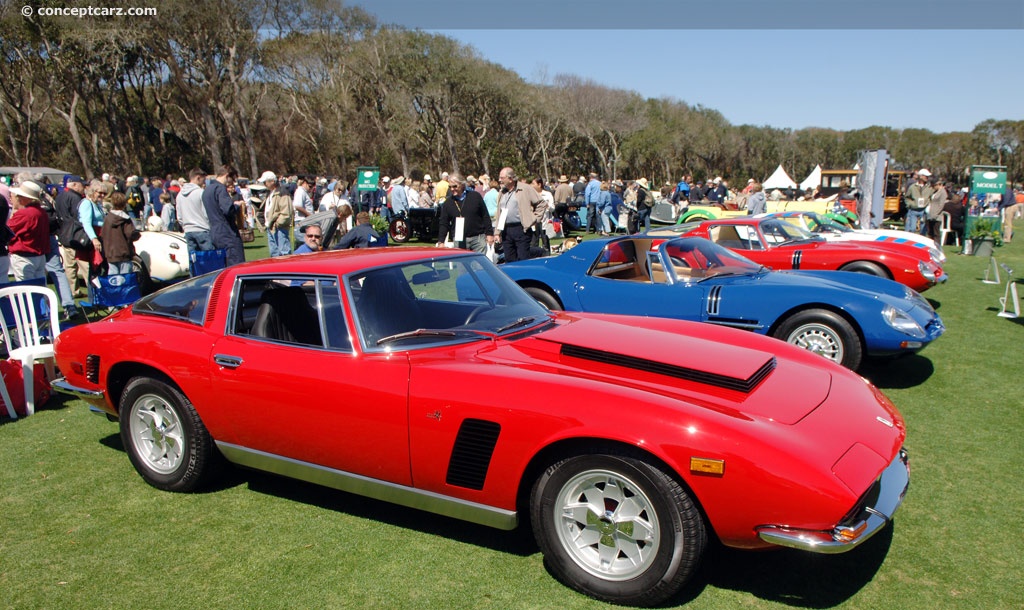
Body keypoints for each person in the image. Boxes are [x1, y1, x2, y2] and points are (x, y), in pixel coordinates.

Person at [437, 173, 494, 254]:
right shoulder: (448, 203)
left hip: (477, 239)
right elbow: (443, 223)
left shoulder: (475, 196)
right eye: (450, 187)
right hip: (459, 240)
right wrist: (441, 241)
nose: (452, 189)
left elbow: (485, 215)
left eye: (455, 186)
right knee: (461, 266)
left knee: (478, 266)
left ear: (462, 184)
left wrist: (489, 234)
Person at [495, 167, 542, 262]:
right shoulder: (502, 192)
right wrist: (497, 232)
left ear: (510, 179)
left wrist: (535, 218)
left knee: (523, 258)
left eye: (502, 178)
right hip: (506, 231)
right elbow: (499, 213)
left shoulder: (525, 189)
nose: (499, 180)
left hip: (521, 229)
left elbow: (541, 203)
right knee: (509, 259)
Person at [202, 164, 245, 266]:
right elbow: (228, 210)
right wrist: (237, 206)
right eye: (231, 180)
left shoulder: (206, 190)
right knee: (236, 264)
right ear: (226, 176)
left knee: (222, 266)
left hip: (215, 232)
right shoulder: (220, 189)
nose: (231, 183)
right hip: (227, 232)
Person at [7, 180, 50, 281]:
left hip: (25, 257)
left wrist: (15, 209)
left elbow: (8, 230)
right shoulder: (41, 212)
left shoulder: (25, 214)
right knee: (40, 288)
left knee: (27, 289)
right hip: (39, 256)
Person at [102, 192, 141, 275]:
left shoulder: (107, 218)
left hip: (110, 253)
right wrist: (138, 234)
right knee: (125, 278)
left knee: (113, 278)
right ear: (124, 204)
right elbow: (130, 234)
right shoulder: (125, 219)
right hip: (123, 252)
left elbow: (103, 233)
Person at [177, 168, 213, 253]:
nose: (204, 183)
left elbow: (179, 216)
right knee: (209, 258)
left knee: (194, 260)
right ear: (198, 178)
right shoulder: (201, 193)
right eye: (203, 180)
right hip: (202, 229)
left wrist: (185, 226)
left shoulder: (179, 195)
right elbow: (206, 213)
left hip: (188, 231)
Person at [260, 171, 293, 257]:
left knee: (284, 253)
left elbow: (286, 212)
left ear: (272, 181)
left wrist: (278, 224)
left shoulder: (282, 192)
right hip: (270, 227)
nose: (264, 184)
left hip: (279, 228)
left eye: (265, 182)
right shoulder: (270, 193)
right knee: (274, 253)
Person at [904, 169, 934, 235]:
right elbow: (907, 197)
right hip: (913, 210)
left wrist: (929, 205)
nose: (927, 178)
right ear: (921, 176)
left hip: (924, 210)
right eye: (925, 176)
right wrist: (910, 204)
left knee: (923, 229)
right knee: (912, 228)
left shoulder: (930, 188)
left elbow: (932, 197)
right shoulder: (912, 187)